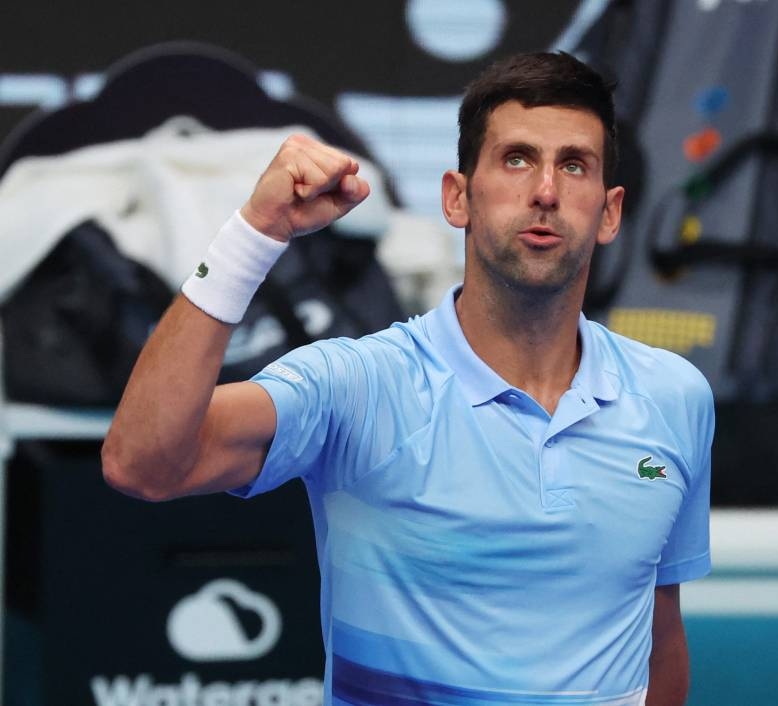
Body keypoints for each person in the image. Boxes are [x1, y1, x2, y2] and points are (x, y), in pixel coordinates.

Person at [102, 51, 714, 706]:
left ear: (610, 212)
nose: (545, 191)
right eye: (516, 159)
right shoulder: (358, 386)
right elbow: (143, 464)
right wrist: (256, 234)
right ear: (457, 197)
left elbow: (658, 636)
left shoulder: (674, 397)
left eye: (574, 165)